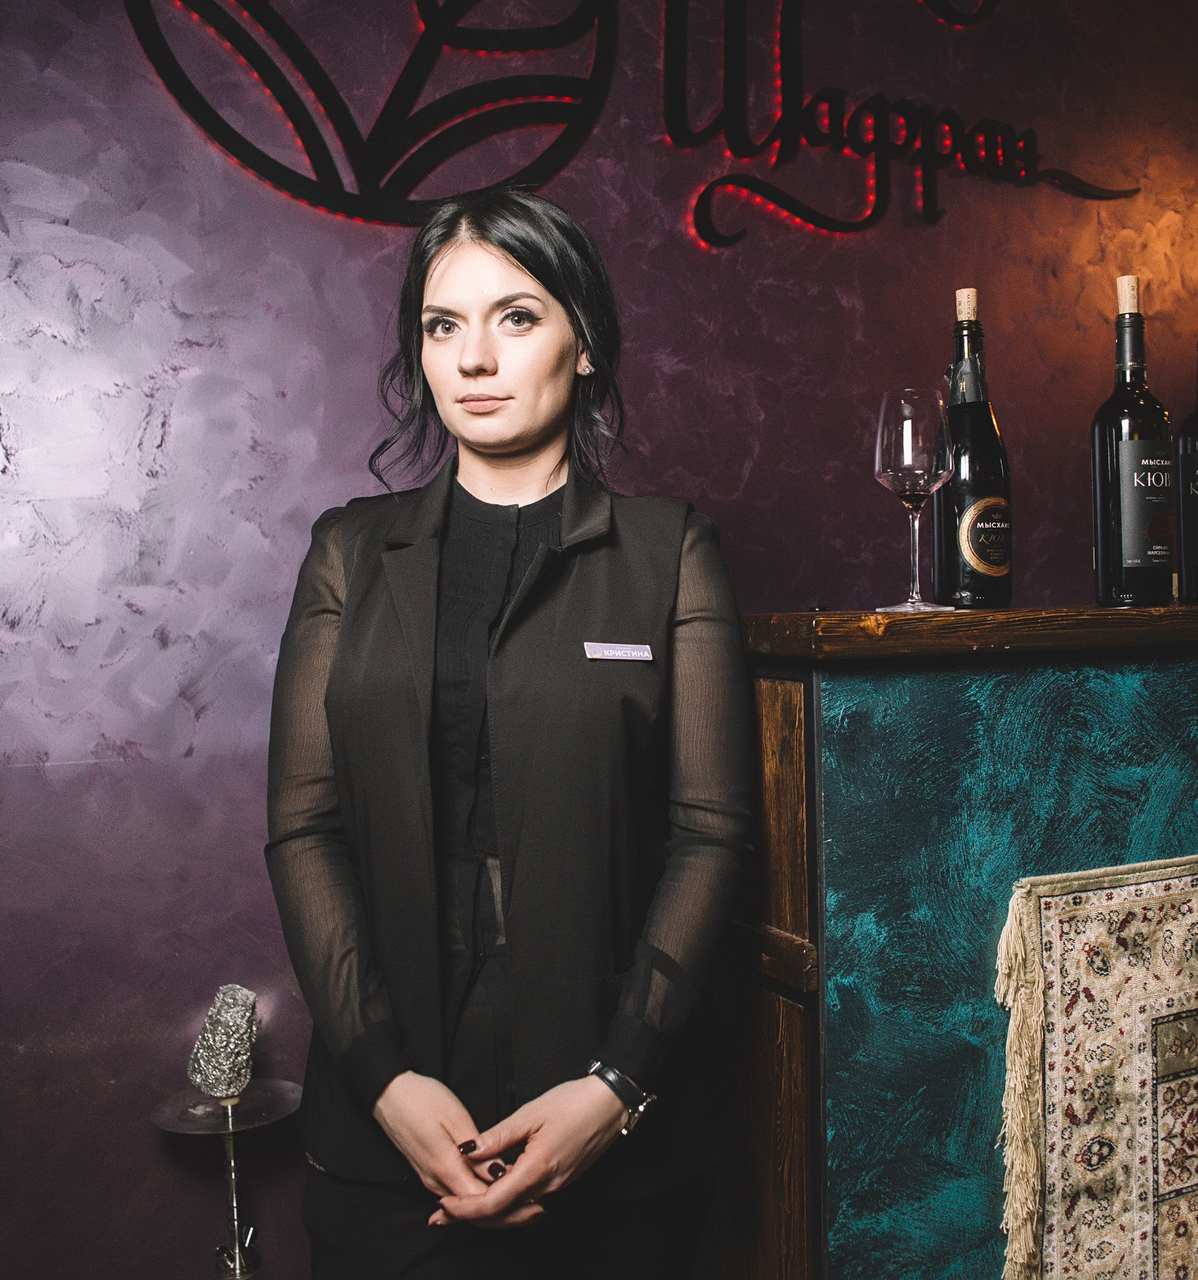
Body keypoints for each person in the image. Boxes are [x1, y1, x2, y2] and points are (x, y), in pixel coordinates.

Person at [265, 189, 754, 1279]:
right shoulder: (349, 551)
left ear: (585, 343)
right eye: (444, 325)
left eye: (517, 317)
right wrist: (382, 1078)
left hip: (614, 1146)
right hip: (384, 1137)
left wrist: (616, 1085)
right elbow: (305, 828)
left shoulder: (670, 552)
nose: (474, 358)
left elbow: (712, 835)